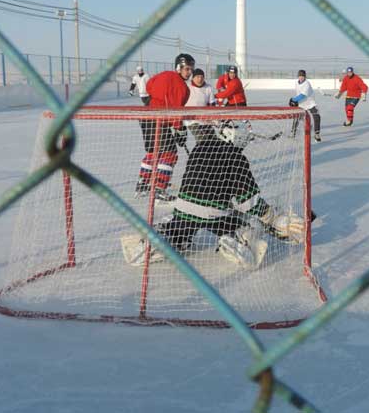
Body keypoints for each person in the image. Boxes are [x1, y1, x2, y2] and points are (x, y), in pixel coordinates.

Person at [126, 120, 308, 268]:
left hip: (182, 208)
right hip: (214, 214)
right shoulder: (236, 158)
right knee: (245, 225)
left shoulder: (199, 148)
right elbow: (248, 201)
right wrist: (269, 216)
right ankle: (236, 240)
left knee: (180, 227)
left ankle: (162, 238)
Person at [135, 53, 193, 201]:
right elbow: (175, 111)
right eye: (187, 69)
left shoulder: (164, 74)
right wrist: (180, 129)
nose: (189, 72)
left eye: (191, 69)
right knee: (170, 153)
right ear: (178, 68)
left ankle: (142, 185)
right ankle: (160, 189)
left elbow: (149, 86)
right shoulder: (181, 86)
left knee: (153, 153)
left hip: (146, 116)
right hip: (158, 120)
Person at [289, 69, 321, 142]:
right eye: (300, 76)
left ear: (305, 76)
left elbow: (303, 95)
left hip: (310, 103)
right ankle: (293, 132)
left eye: (303, 76)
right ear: (298, 76)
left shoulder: (307, 83)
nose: (301, 77)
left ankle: (317, 134)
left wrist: (293, 99)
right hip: (302, 104)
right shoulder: (297, 83)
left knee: (317, 116)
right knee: (296, 117)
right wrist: (295, 101)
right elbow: (298, 93)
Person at [184, 68, 216, 142]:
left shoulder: (208, 87)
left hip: (204, 119)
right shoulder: (187, 86)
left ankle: (212, 152)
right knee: (201, 139)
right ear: (193, 77)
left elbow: (212, 104)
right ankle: (200, 152)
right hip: (191, 119)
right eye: (197, 77)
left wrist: (212, 117)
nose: (200, 79)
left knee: (213, 139)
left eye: (202, 77)